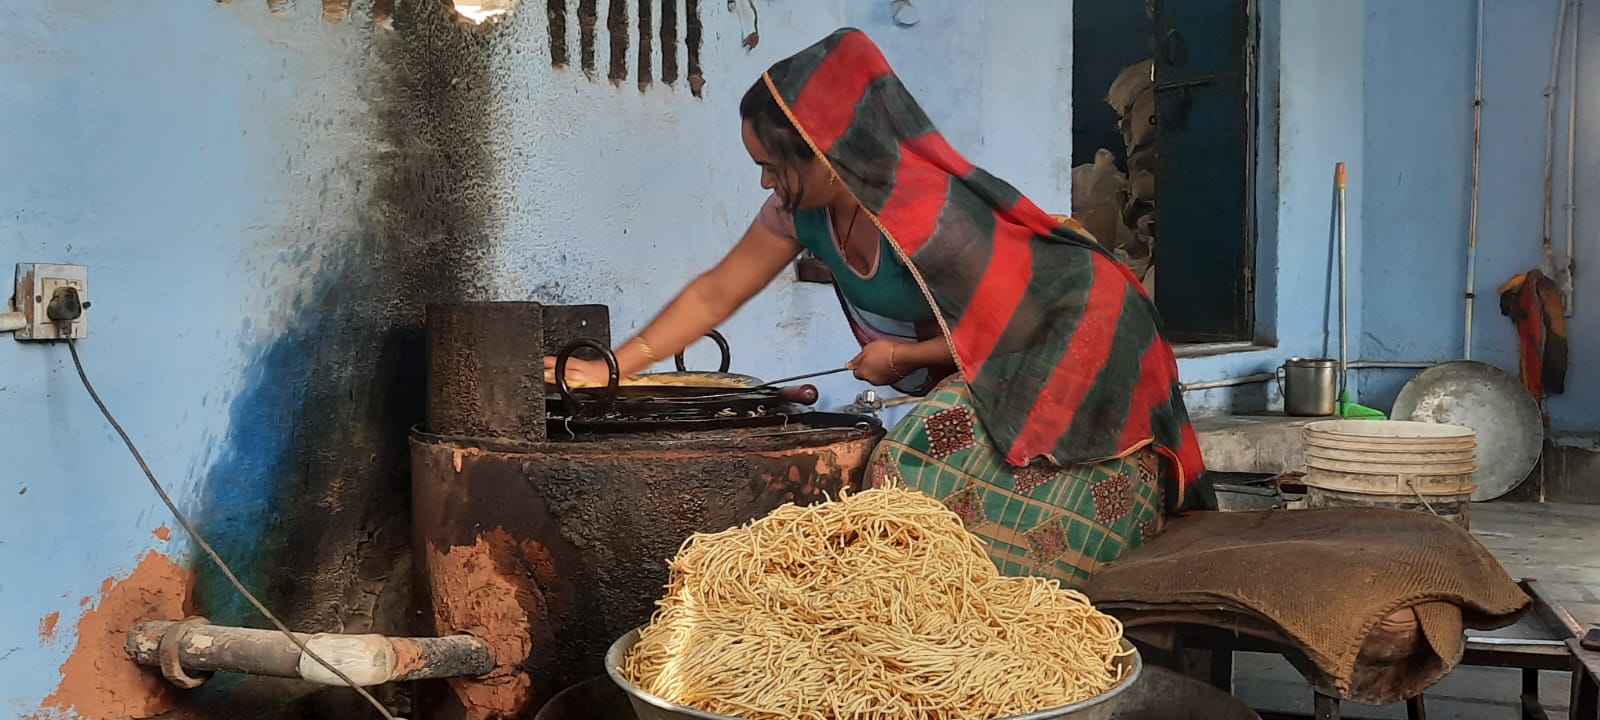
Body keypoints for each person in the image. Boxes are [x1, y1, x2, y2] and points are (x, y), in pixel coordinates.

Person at [545, 28, 1215, 588]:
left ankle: (1025, 610)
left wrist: (901, 356)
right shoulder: (796, 211)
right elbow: (717, 291)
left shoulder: (933, 218)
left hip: (1082, 335)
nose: (764, 180)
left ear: (834, 157)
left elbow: (1020, 328)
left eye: (774, 164)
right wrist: (613, 370)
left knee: (909, 461)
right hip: (995, 348)